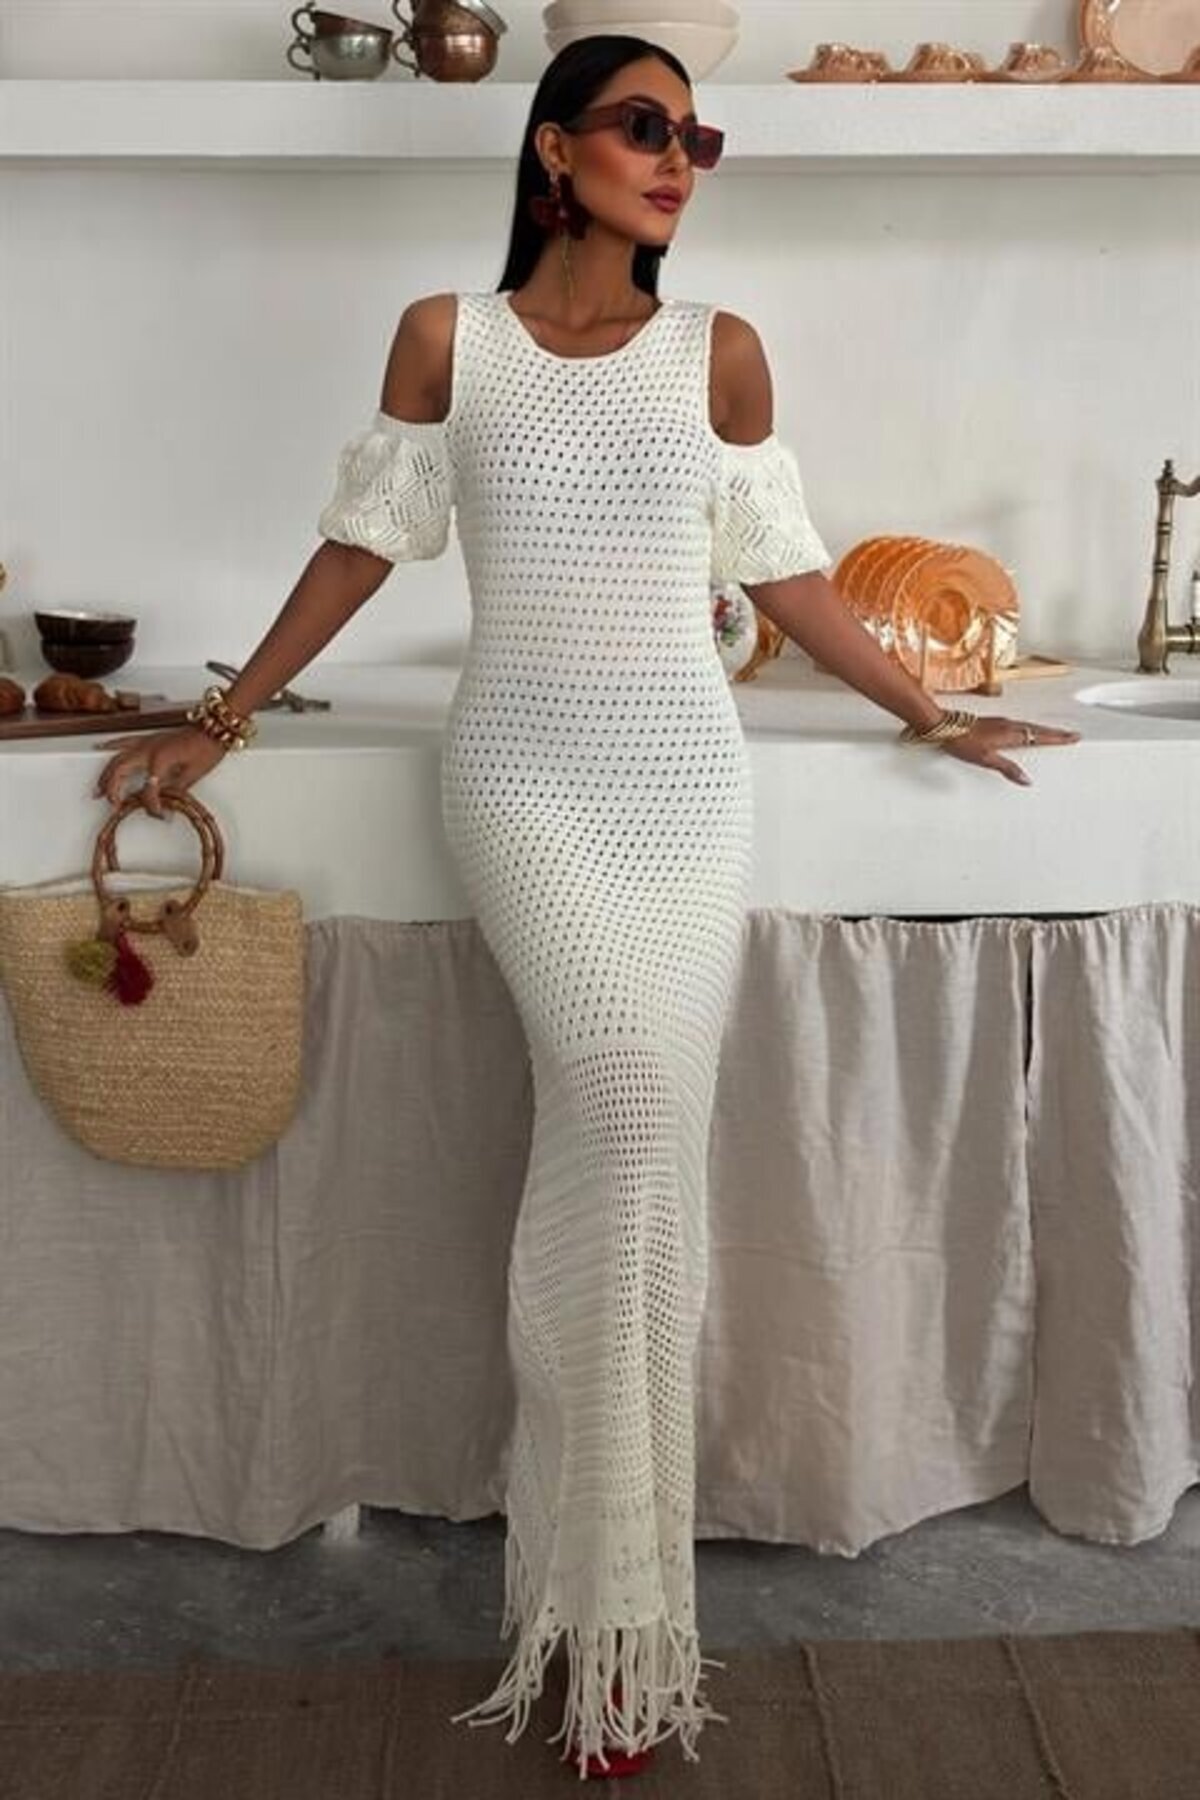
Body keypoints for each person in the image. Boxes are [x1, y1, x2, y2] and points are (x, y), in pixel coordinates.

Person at [91, 33, 1081, 1781]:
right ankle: (602, 1616)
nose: (679, 158)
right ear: (554, 152)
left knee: (634, 1151)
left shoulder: (721, 353)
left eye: (698, 136)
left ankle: (606, 1623)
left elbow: (785, 571)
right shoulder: (445, 339)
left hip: (685, 788)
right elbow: (364, 544)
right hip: (526, 788)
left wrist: (928, 712)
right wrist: (220, 718)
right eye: (645, 126)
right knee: (624, 1111)